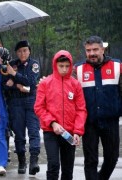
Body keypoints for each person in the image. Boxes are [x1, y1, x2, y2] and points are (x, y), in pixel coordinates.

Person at [73, 36, 121, 180]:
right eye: (88, 50)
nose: (92, 53)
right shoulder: (78, 70)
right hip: (89, 123)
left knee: (112, 158)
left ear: (102, 49)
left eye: (95, 49)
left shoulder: (118, 66)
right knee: (91, 160)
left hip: (110, 121)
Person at [34, 50, 87, 179]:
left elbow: (81, 109)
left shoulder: (75, 84)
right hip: (51, 131)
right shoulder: (45, 83)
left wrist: (77, 131)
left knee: (68, 169)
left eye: (67, 66)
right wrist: (52, 123)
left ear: (71, 66)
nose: (64, 69)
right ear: (55, 65)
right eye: (61, 66)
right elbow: (38, 107)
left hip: (69, 133)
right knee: (53, 165)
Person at [4, 40, 41, 176]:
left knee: (33, 131)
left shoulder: (34, 64)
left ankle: (34, 161)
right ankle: (21, 161)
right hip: (15, 102)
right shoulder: (12, 65)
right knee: (19, 134)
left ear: (29, 51)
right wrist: (16, 85)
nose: (22, 53)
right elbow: (5, 84)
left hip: (31, 101)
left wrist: (14, 76)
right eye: (19, 51)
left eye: (25, 50)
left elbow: (31, 81)